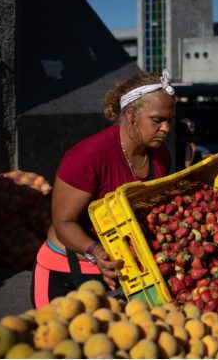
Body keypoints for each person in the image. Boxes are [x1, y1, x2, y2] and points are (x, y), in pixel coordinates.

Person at [31, 71, 177, 308]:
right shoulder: (88, 157)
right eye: (157, 120)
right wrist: (95, 251)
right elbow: (64, 222)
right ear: (131, 114)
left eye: (170, 120)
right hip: (67, 274)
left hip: (123, 272)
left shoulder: (160, 155)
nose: (166, 128)